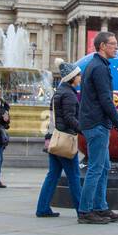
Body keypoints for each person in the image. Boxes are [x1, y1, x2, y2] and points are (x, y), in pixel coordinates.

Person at [77, 31, 118, 224]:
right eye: (113, 44)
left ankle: (100, 207)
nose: (116, 47)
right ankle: (85, 211)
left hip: (96, 123)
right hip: (97, 124)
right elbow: (106, 100)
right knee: (96, 168)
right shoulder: (99, 68)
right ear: (102, 46)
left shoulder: (97, 65)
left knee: (103, 166)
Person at [35, 63, 82, 217]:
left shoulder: (59, 92)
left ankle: (42, 208)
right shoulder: (69, 94)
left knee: (53, 174)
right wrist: (83, 130)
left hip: (54, 138)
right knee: (74, 175)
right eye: (78, 75)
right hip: (65, 139)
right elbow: (69, 118)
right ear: (72, 78)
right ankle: (82, 210)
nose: (80, 77)